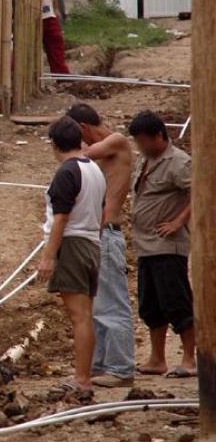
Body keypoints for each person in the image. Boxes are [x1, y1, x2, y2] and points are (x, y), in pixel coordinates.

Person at [66, 103, 136, 388]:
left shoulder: (115, 142)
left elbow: (78, 155)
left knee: (112, 303)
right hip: (98, 236)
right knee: (96, 305)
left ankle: (120, 367)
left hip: (107, 232)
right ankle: (102, 363)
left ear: (82, 128)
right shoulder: (104, 151)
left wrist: (68, 143)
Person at [38, 117, 106, 395]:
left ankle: (82, 378)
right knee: (85, 314)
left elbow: (61, 218)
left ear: (55, 145)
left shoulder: (67, 172)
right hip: (91, 243)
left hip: (73, 245)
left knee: (79, 316)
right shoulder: (95, 170)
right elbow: (101, 212)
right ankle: (84, 374)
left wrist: (48, 256)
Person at [128, 111, 195, 378]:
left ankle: (190, 358)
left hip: (168, 245)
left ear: (158, 136)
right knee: (151, 305)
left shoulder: (178, 162)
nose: (140, 146)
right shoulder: (145, 160)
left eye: (143, 140)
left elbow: (200, 190)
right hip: (146, 244)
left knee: (176, 302)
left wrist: (178, 221)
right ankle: (157, 359)